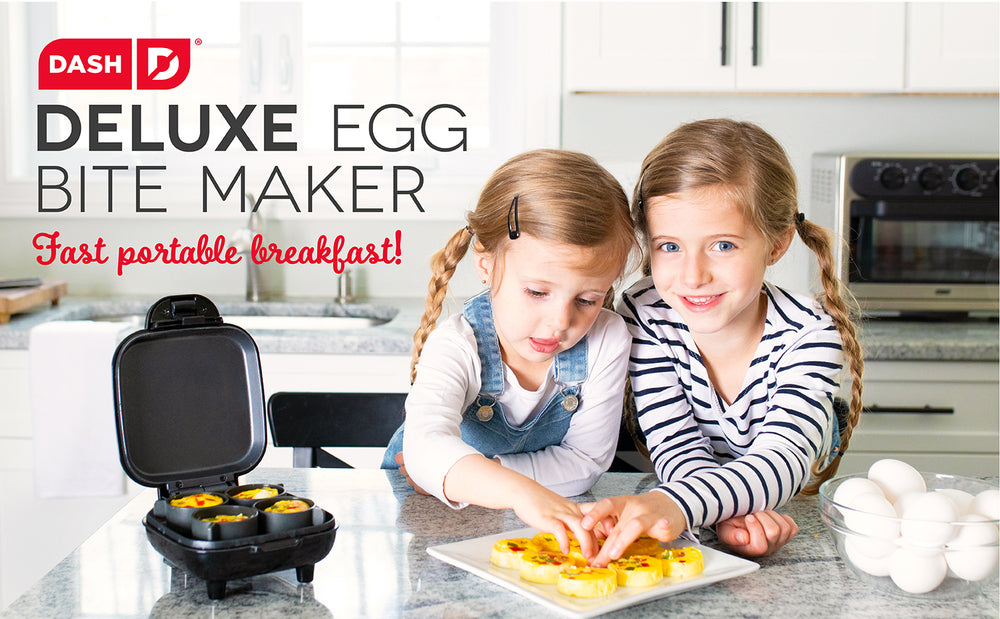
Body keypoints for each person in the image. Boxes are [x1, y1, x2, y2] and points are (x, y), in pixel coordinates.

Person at [582, 119, 864, 563]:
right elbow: (676, 445)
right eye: (670, 247)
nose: (693, 276)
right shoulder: (648, 315)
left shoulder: (809, 335)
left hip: (774, 501)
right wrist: (723, 514)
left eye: (723, 246)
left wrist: (679, 504)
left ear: (776, 245)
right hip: (723, 504)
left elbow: (781, 460)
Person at [381, 149, 636, 556]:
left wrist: (510, 486)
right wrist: (524, 491)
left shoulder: (608, 339)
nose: (559, 322)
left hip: (532, 523)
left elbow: (585, 462)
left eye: (587, 299)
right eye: (537, 292)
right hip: (434, 522)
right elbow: (426, 451)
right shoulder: (458, 343)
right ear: (486, 265)